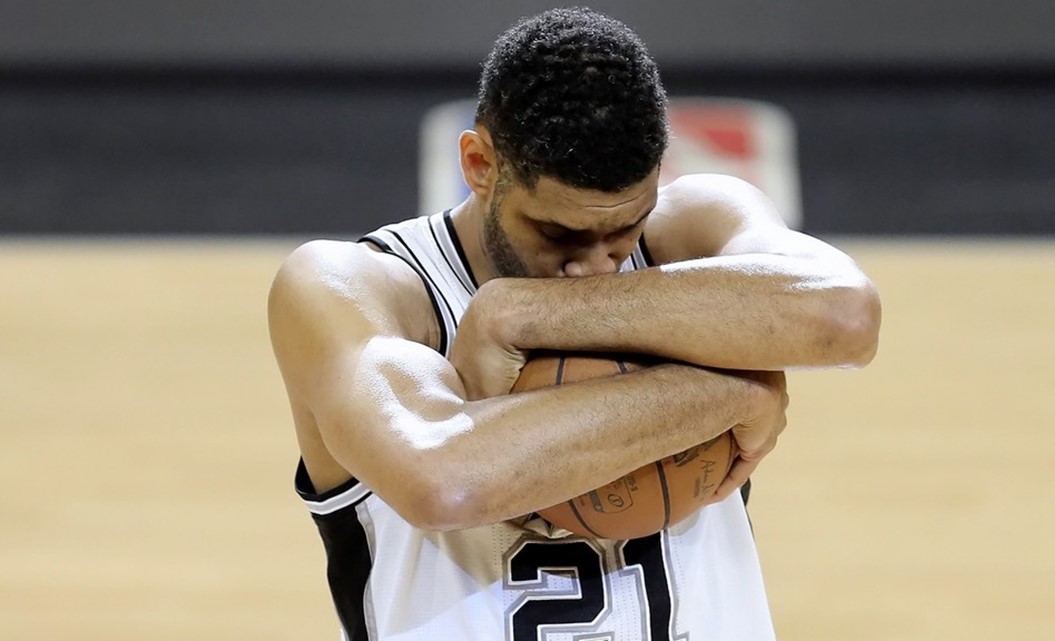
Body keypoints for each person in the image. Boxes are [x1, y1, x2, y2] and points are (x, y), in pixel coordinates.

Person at [268, 7, 880, 640]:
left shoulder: (691, 230)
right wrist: (733, 393)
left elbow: (847, 316)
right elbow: (442, 481)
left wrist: (522, 311)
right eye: (558, 233)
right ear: (480, 164)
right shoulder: (360, 288)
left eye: (623, 230)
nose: (593, 267)